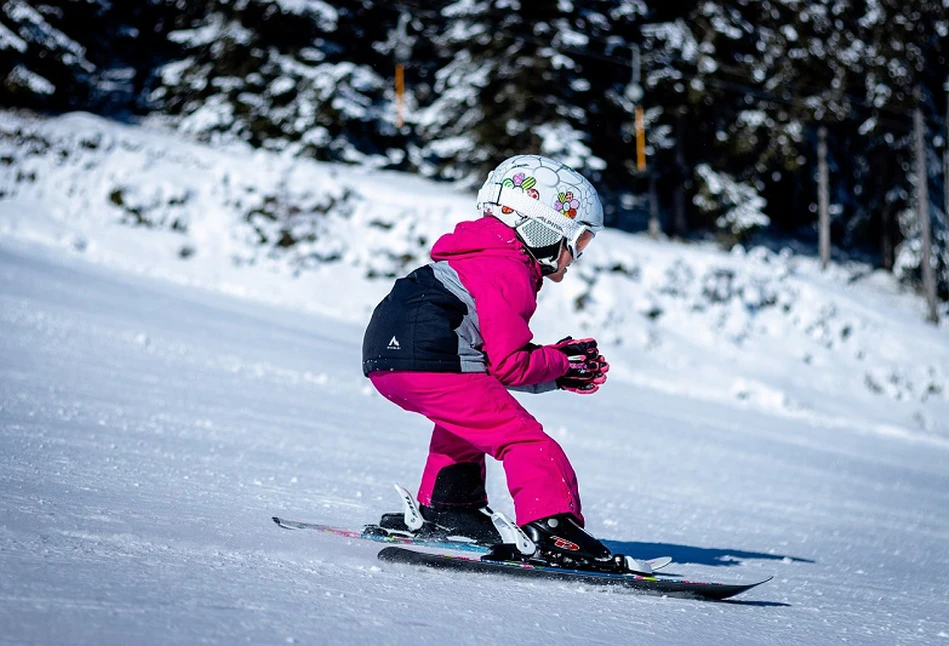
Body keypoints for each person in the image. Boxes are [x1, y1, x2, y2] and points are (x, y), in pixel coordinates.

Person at [362, 155, 615, 569]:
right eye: (580, 242)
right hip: (432, 357)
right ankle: (552, 530)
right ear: (544, 227)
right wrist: (561, 365)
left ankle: (451, 507)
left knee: (467, 420)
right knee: (526, 441)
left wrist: (553, 367)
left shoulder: (473, 257)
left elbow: (491, 364)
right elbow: (510, 365)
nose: (575, 257)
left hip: (387, 361)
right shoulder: (508, 267)